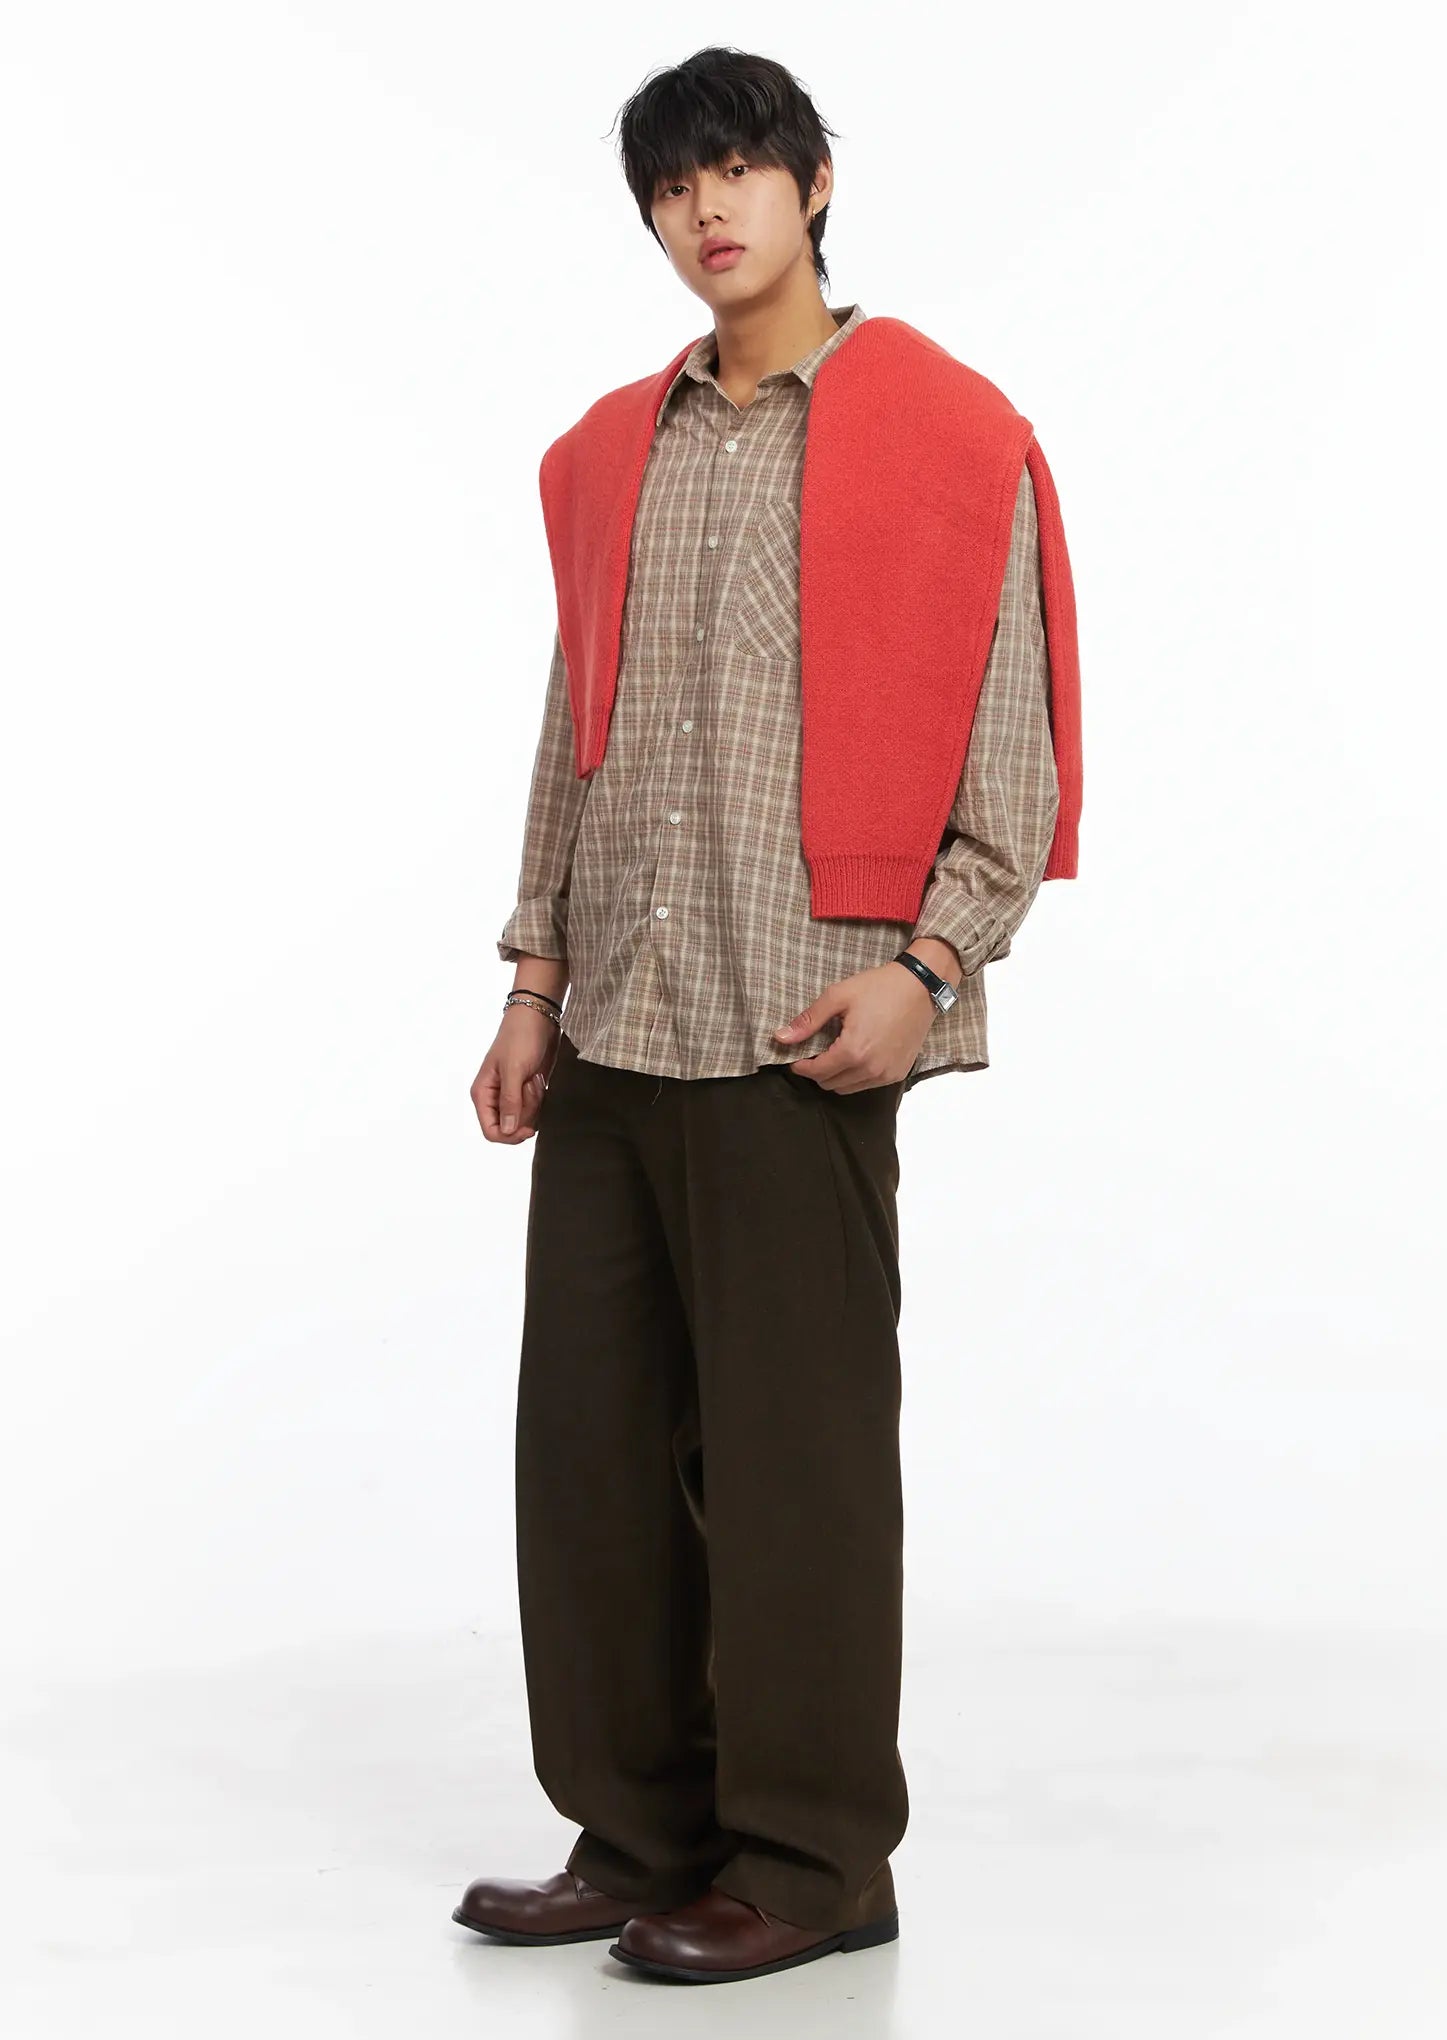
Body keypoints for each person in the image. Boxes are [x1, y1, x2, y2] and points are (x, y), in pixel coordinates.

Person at [456, 46, 1081, 1987]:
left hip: (801, 1024)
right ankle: (639, 1832)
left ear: (815, 182)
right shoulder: (609, 453)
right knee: (588, 1458)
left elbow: (1014, 738)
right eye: (672, 186)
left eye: (739, 168)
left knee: (796, 1466)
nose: (707, 209)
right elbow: (575, 730)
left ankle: (811, 1864)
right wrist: (533, 979)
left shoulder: (953, 433)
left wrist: (931, 967)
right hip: (617, 1025)